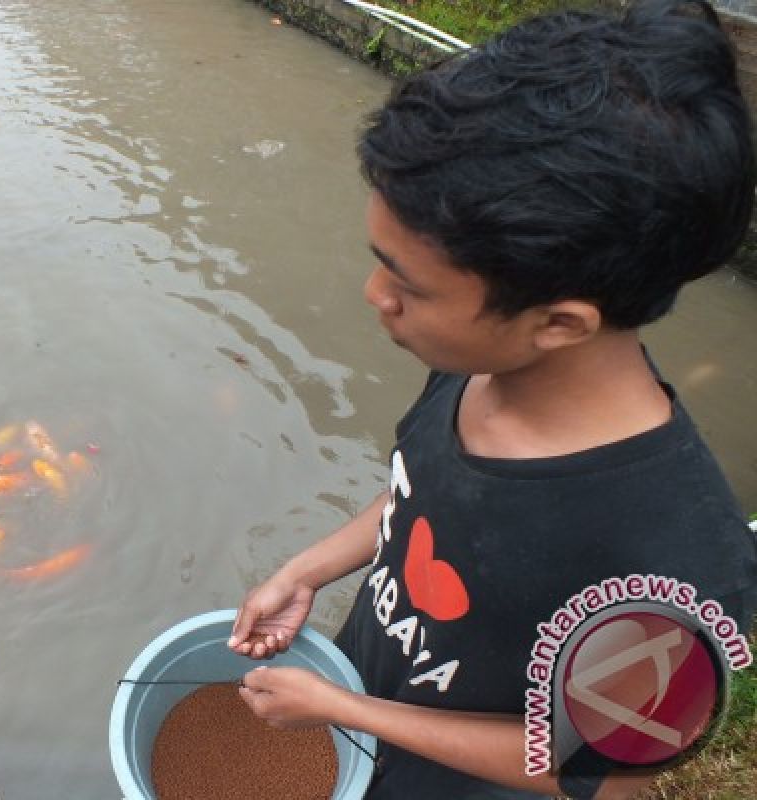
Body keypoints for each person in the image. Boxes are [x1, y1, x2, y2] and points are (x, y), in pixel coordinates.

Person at [226, 1, 757, 798]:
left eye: (408, 285)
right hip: (365, 706)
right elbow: (428, 496)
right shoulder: (481, 359)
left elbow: (603, 776)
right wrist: (316, 566)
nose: (375, 296)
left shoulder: (673, 562)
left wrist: (347, 710)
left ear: (558, 323)